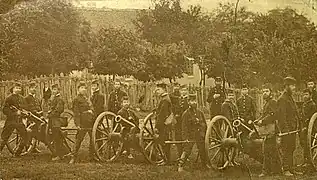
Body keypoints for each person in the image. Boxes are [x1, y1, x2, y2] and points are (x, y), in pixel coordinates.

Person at [276, 77, 301, 176]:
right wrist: (285, 130)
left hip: (292, 128)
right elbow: (282, 116)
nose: (294, 87)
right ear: (286, 86)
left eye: (294, 85)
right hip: (286, 130)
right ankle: (285, 169)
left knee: (292, 148)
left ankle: (291, 168)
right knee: (286, 148)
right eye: (292, 85)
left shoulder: (290, 97)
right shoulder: (282, 99)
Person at [178, 93, 209, 172]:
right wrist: (185, 139)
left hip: (200, 135)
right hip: (190, 135)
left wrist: (205, 134)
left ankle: (204, 164)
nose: (194, 103)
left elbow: (205, 125)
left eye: (195, 101)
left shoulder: (200, 113)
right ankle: (180, 166)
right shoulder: (186, 114)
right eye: (192, 101)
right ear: (188, 102)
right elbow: (184, 128)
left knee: (202, 149)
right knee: (187, 150)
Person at [256, 83, 282, 177]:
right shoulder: (267, 103)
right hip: (267, 129)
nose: (264, 93)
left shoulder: (273, 102)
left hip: (272, 129)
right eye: (263, 92)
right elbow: (264, 114)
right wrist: (258, 120)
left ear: (271, 92)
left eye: (267, 91)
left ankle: (270, 171)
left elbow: (272, 115)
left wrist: (262, 121)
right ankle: (274, 170)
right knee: (269, 150)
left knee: (270, 150)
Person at [70, 82, 95, 164]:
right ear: (78, 89)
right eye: (82, 88)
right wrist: (78, 124)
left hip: (90, 122)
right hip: (82, 123)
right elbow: (76, 113)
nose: (83, 89)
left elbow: (91, 107)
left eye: (84, 88)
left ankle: (92, 156)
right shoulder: (76, 100)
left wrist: (91, 111)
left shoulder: (86, 98)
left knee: (93, 139)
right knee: (79, 140)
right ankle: (73, 157)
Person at [0, 82, 28, 157]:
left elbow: (25, 107)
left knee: (25, 135)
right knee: (5, 137)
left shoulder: (22, 98)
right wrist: (15, 113)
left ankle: (17, 153)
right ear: (13, 89)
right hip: (11, 121)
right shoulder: (9, 98)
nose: (18, 89)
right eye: (16, 88)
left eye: (19, 88)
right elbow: (4, 110)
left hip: (19, 121)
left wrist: (24, 112)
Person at [154, 83, 172, 165]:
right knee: (163, 141)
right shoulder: (164, 98)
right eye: (156, 89)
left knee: (165, 142)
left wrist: (157, 126)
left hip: (164, 124)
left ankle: (166, 160)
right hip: (164, 123)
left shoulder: (165, 100)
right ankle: (164, 158)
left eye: (158, 89)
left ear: (164, 90)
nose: (156, 91)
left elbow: (162, 115)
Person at [299, 88, 316, 172]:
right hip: (304, 126)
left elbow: (311, 117)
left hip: (311, 128)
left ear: (310, 95)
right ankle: (305, 160)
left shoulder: (312, 105)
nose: (305, 96)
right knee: (303, 143)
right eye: (304, 95)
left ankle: (309, 160)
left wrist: (306, 126)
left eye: (306, 95)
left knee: (308, 144)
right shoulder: (304, 104)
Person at [170, 83, 189, 158]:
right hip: (178, 120)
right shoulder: (177, 98)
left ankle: (185, 155)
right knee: (178, 136)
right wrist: (176, 114)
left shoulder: (188, 99)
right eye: (182, 90)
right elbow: (174, 107)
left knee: (186, 137)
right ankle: (179, 154)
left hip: (186, 121)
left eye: (185, 90)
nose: (183, 92)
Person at [48, 84, 65, 161]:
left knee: (57, 138)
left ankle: (59, 155)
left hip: (57, 120)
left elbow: (58, 110)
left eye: (55, 89)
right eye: (53, 90)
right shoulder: (53, 98)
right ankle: (61, 153)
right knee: (55, 137)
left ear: (58, 90)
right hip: (53, 120)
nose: (53, 91)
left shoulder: (59, 99)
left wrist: (50, 114)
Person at [24, 81, 42, 153]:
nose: (34, 89)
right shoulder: (26, 98)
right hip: (30, 118)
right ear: (29, 89)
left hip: (38, 117)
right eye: (32, 88)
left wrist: (40, 112)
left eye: (35, 88)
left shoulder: (37, 99)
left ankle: (34, 147)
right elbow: (26, 108)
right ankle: (28, 146)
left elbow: (39, 107)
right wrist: (35, 112)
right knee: (32, 129)